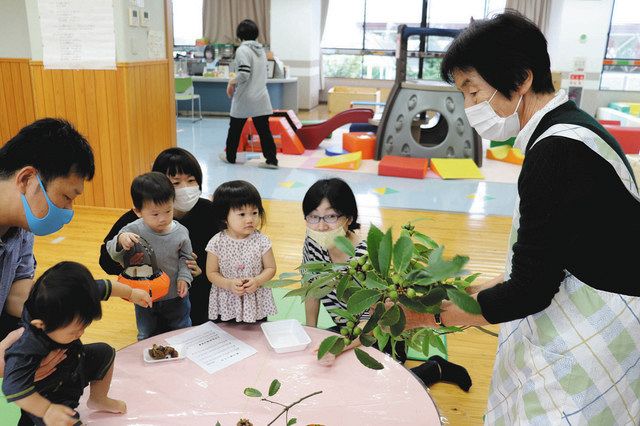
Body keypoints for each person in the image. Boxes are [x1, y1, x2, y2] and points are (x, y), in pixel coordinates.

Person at [400, 12, 640, 424]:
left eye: (473, 91)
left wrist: (427, 316)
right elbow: (549, 253)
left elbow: (530, 290)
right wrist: (467, 290)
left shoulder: (556, 152)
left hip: (595, 331)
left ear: (521, 79)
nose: (470, 107)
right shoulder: (574, 130)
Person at [302, 178, 471, 392]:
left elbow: (375, 324)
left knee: (383, 392)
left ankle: (435, 367)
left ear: (348, 218)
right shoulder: (313, 242)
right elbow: (312, 288)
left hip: (382, 334)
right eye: (314, 216)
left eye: (331, 216)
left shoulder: (365, 258)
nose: (322, 225)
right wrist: (311, 332)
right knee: (317, 369)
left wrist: (337, 347)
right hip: (350, 329)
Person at [0, 118, 95, 380]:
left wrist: (63, 319)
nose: (68, 212)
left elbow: (17, 295)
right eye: (66, 197)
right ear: (27, 179)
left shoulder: (20, 227)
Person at [3, 261, 151, 425]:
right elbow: (14, 388)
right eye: (73, 332)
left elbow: (104, 287)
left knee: (104, 352)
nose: (80, 333)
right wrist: (46, 410)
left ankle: (99, 399)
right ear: (41, 325)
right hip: (49, 396)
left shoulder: (73, 298)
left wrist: (131, 293)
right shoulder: (27, 346)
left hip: (73, 365)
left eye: (84, 327)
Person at [99, 148, 218, 326]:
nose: (185, 189)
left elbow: (223, 253)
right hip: (155, 299)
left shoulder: (208, 211)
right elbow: (105, 260)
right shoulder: (138, 219)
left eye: (191, 181)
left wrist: (205, 269)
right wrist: (136, 262)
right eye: (176, 183)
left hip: (197, 294)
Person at [106, 172, 193, 340]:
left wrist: (184, 276)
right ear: (138, 211)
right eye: (155, 214)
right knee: (146, 333)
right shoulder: (132, 230)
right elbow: (112, 251)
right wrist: (120, 240)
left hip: (175, 295)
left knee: (182, 328)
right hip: (143, 294)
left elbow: (186, 258)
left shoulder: (181, 232)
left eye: (168, 211)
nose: (163, 219)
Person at [206, 180, 277, 322]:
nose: (250, 219)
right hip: (227, 302)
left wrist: (257, 281)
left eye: (254, 213)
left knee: (257, 335)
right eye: (242, 214)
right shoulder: (217, 242)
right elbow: (211, 273)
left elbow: (271, 268)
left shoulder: (261, 240)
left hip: (255, 302)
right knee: (226, 335)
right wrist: (228, 284)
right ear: (224, 217)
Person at [219, 19, 278, 169]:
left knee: (235, 129)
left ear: (240, 35)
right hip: (261, 96)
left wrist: (231, 81)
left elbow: (244, 73)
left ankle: (230, 157)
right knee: (264, 131)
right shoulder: (261, 51)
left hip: (245, 97)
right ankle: (271, 160)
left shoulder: (242, 50)